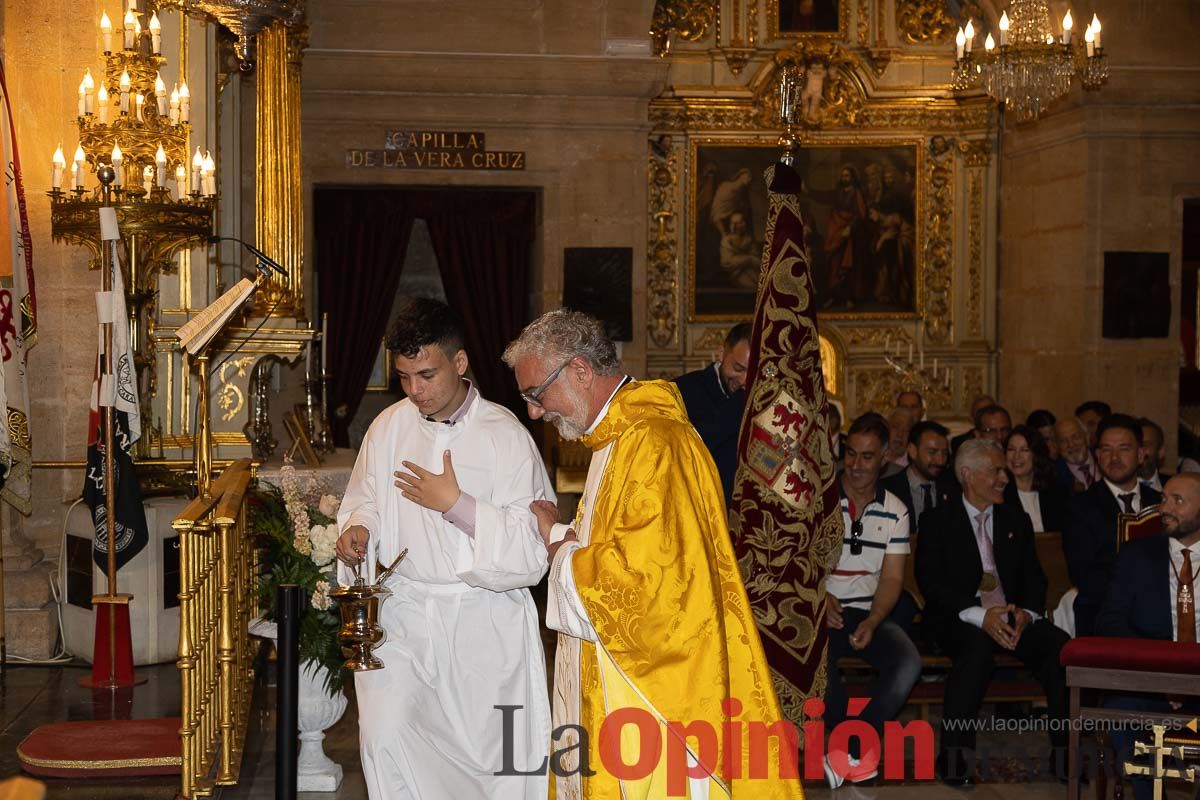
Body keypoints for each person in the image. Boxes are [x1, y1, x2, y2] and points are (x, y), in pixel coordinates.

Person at [504, 309, 802, 799]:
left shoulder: (652, 442)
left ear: (580, 371)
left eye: (537, 394)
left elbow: (642, 588)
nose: (535, 412)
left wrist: (558, 544)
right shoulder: (618, 439)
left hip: (657, 694)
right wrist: (564, 537)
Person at [333, 298, 554, 799]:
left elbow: (531, 549)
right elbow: (363, 498)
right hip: (405, 619)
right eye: (405, 377)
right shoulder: (389, 426)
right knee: (386, 738)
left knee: (495, 766)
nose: (415, 391)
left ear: (460, 362)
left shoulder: (507, 437)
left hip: (482, 626)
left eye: (427, 375)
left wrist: (457, 504)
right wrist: (359, 531)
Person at [915, 439, 1070, 787]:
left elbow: (1034, 578)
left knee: (1060, 649)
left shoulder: (1016, 519)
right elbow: (932, 584)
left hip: (1012, 617)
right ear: (968, 475)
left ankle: (1067, 758)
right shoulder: (937, 520)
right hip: (959, 619)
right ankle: (955, 762)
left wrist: (1028, 613)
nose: (1005, 477)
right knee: (976, 650)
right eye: (996, 470)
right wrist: (980, 615)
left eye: (1004, 470)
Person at [823, 413, 920, 788]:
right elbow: (797, 562)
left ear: (884, 459)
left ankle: (847, 748)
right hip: (822, 610)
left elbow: (893, 578)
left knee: (907, 663)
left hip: (869, 610)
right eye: (851, 454)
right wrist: (821, 596)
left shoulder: (896, 509)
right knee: (819, 667)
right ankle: (853, 753)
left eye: (867, 456)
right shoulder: (821, 500)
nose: (856, 465)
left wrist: (875, 620)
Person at [1095, 473, 1200, 800]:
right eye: (1164, 499)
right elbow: (1109, 622)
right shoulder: (1135, 555)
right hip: (1148, 679)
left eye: (1178, 501)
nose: (1165, 509)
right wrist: (1160, 674)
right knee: (1122, 714)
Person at [1063, 414, 1162, 638]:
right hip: (1103, 613)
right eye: (1107, 450)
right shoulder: (1079, 507)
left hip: (1159, 612)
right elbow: (1083, 574)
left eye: (1124, 449)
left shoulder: (1161, 503)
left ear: (1140, 455)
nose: (1114, 458)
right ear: (1097, 455)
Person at [674, 322, 752, 505]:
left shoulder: (764, 399)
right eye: (738, 369)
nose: (744, 381)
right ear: (721, 353)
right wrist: (740, 402)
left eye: (753, 372)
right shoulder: (682, 391)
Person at [880, 419, 957, 532]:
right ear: (912, 451)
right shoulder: (888, 490)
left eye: (944, 453)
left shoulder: (952, 488)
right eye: (932, 452)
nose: (940, 461)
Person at [1002, 425, 1066, 533]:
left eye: (1024, 450)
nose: (1016, 456)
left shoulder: (1056, 493)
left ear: (1037, 455)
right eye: (1011, 449)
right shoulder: (1000, 494)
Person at [1053, 416, 1098, 495]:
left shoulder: (1103, 458)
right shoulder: (1053, 474)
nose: (1071, 445)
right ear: (1056, 446)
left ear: (1087, 437)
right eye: (1063, 441)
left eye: (1075, 437)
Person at [719, 212, 761, 289]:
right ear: (734, 225)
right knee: (753, 285)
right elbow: (726, 262)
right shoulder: (727, 241)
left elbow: (757, 259)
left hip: (751, 270)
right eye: (740, 222)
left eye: (743, 221)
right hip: (736, 274)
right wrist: (748, 259)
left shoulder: (748, 239)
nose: (744, 224)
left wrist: (750, 259)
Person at [1136, 416, 1169, 493]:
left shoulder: (1175, 485)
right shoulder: (1114, 489)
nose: (1139, 452)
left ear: (1161, 451)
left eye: (1144, 445)